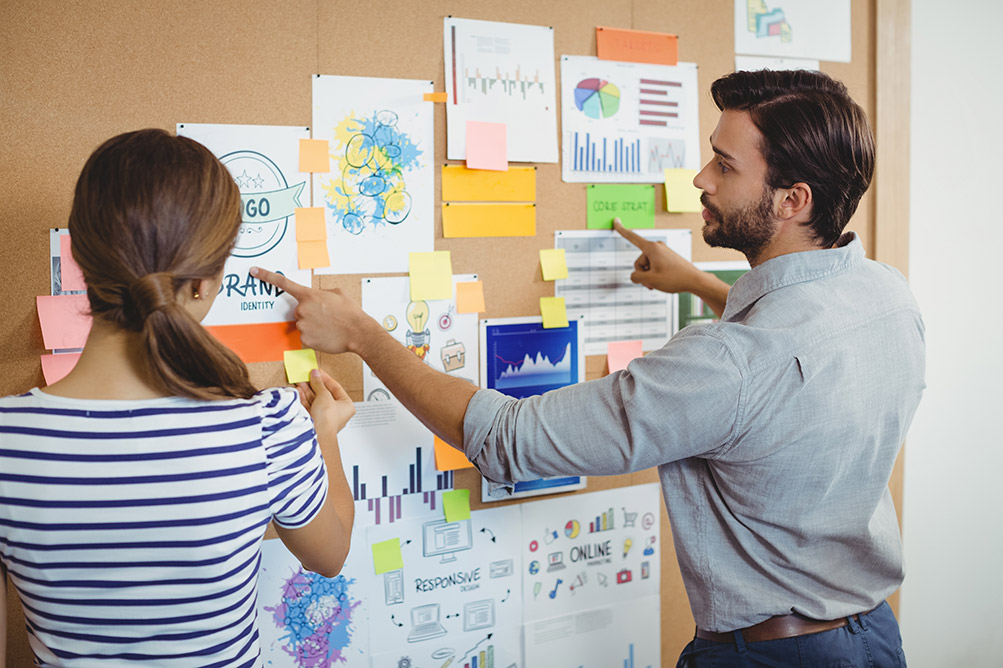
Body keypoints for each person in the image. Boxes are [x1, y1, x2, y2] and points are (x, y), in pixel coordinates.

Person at [251, 69, 924, 666]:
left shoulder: (727, 363)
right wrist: (699, 283)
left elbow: (509, 439)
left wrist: (365, 335)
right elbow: (783, 359)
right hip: (871, 637)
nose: (700, 180)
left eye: (724, 165)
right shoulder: (884, 295)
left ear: (790, 200)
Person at [0, 129, 356, 666]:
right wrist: (322, 434)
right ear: (204, 284)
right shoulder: (268, 428)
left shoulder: (7, 441)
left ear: (81, 259)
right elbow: (332, 554)